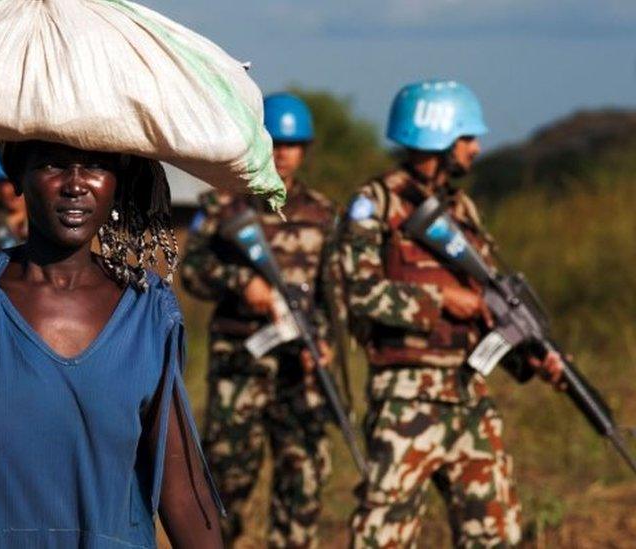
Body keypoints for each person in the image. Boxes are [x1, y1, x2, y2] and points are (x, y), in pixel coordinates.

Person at [0, 140, 224, 548]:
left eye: (96, 166)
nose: (75, 184)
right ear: (18, 180)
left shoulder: (148, 312)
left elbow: (182, 488)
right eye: (52, 165)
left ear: (117, 182)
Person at [341, 80, 566, 547]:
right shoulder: (376, 204)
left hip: (469, 395)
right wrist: (439, 301)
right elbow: (359, 293)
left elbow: (488, 309)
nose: (477, 148)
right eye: (467, 138)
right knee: (383, 536)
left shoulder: (462, 210)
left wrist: (530, 358)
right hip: (406, 399)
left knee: (496, 533)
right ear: (436, 137)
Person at [181, 93, 342, 547]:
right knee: (226, 483)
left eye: (294, 144)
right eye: (276, 142)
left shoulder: (323, 214)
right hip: (241, 368)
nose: (284, 153)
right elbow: (191, 271)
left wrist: (325, 344)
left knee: (303, 482)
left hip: (301, 371)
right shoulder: (221, 207)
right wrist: (240, 283)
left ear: (305, 149)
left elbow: (333, 295)